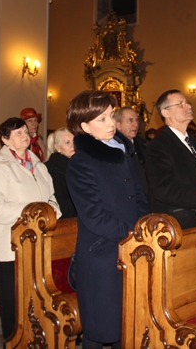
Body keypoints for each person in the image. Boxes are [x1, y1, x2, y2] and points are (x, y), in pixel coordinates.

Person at [65, 90, 149, 349]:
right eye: (101, 119)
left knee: (128, 326)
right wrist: (132, 233)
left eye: (111, 116)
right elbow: (94, 216)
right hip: (102, 255)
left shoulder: (120, 152)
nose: (111, 123)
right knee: (100, 329)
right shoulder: (81, 163)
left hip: (130, 248)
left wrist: (142, 226)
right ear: (84, 126)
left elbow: (139, 194)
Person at [0, 117, 61, 339]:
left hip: (38, 244)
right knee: (14, 304)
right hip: (12, 248)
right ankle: (12, 342)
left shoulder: (39, 166)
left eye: (26, 131)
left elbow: (52, 197)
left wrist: (52, 211)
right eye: (18, 133)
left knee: (35, 299)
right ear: (5, 139)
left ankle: (35, 339)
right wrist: (31, 212)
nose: (25, 136)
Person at [145, 90, 196, 229]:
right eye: (180, 104)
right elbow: (163, 189)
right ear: (166, 112)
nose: (188, 106)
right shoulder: (158, 145)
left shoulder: (192, 141)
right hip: (179, 224)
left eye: (187, 103)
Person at [114, 106, 147, 194]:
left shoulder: (143, 145)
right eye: (130, 120)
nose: (136, 124)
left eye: (137, 120)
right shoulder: (114, 149)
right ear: (118, 125)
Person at [45, 127, 77, 218]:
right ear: (57, 148)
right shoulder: (54, 169)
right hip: (67, 219)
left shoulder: (75, 165)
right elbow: (62, 202)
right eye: (67, 143)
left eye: (74, 141)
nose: (73, 146)